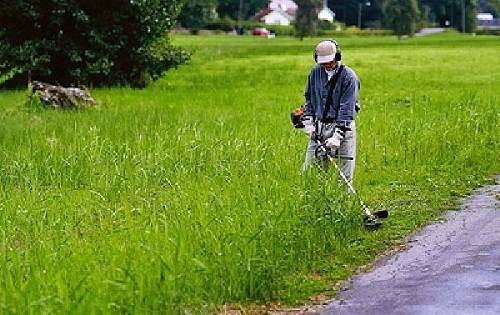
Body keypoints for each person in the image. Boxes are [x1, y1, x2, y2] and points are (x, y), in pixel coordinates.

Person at [301, 39, 360, 182]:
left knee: (344, 178)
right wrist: (308, 121)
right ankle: (316, 202)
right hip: (319, 127)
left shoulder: (349, 77)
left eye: (330, 62)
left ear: (337, 57)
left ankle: (344, 203)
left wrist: (338, 135)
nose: (327, 65)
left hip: (342, 128)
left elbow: (347, 109)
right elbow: (309, 97)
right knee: (309, 173)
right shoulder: (315, 73)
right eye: (323, 63)